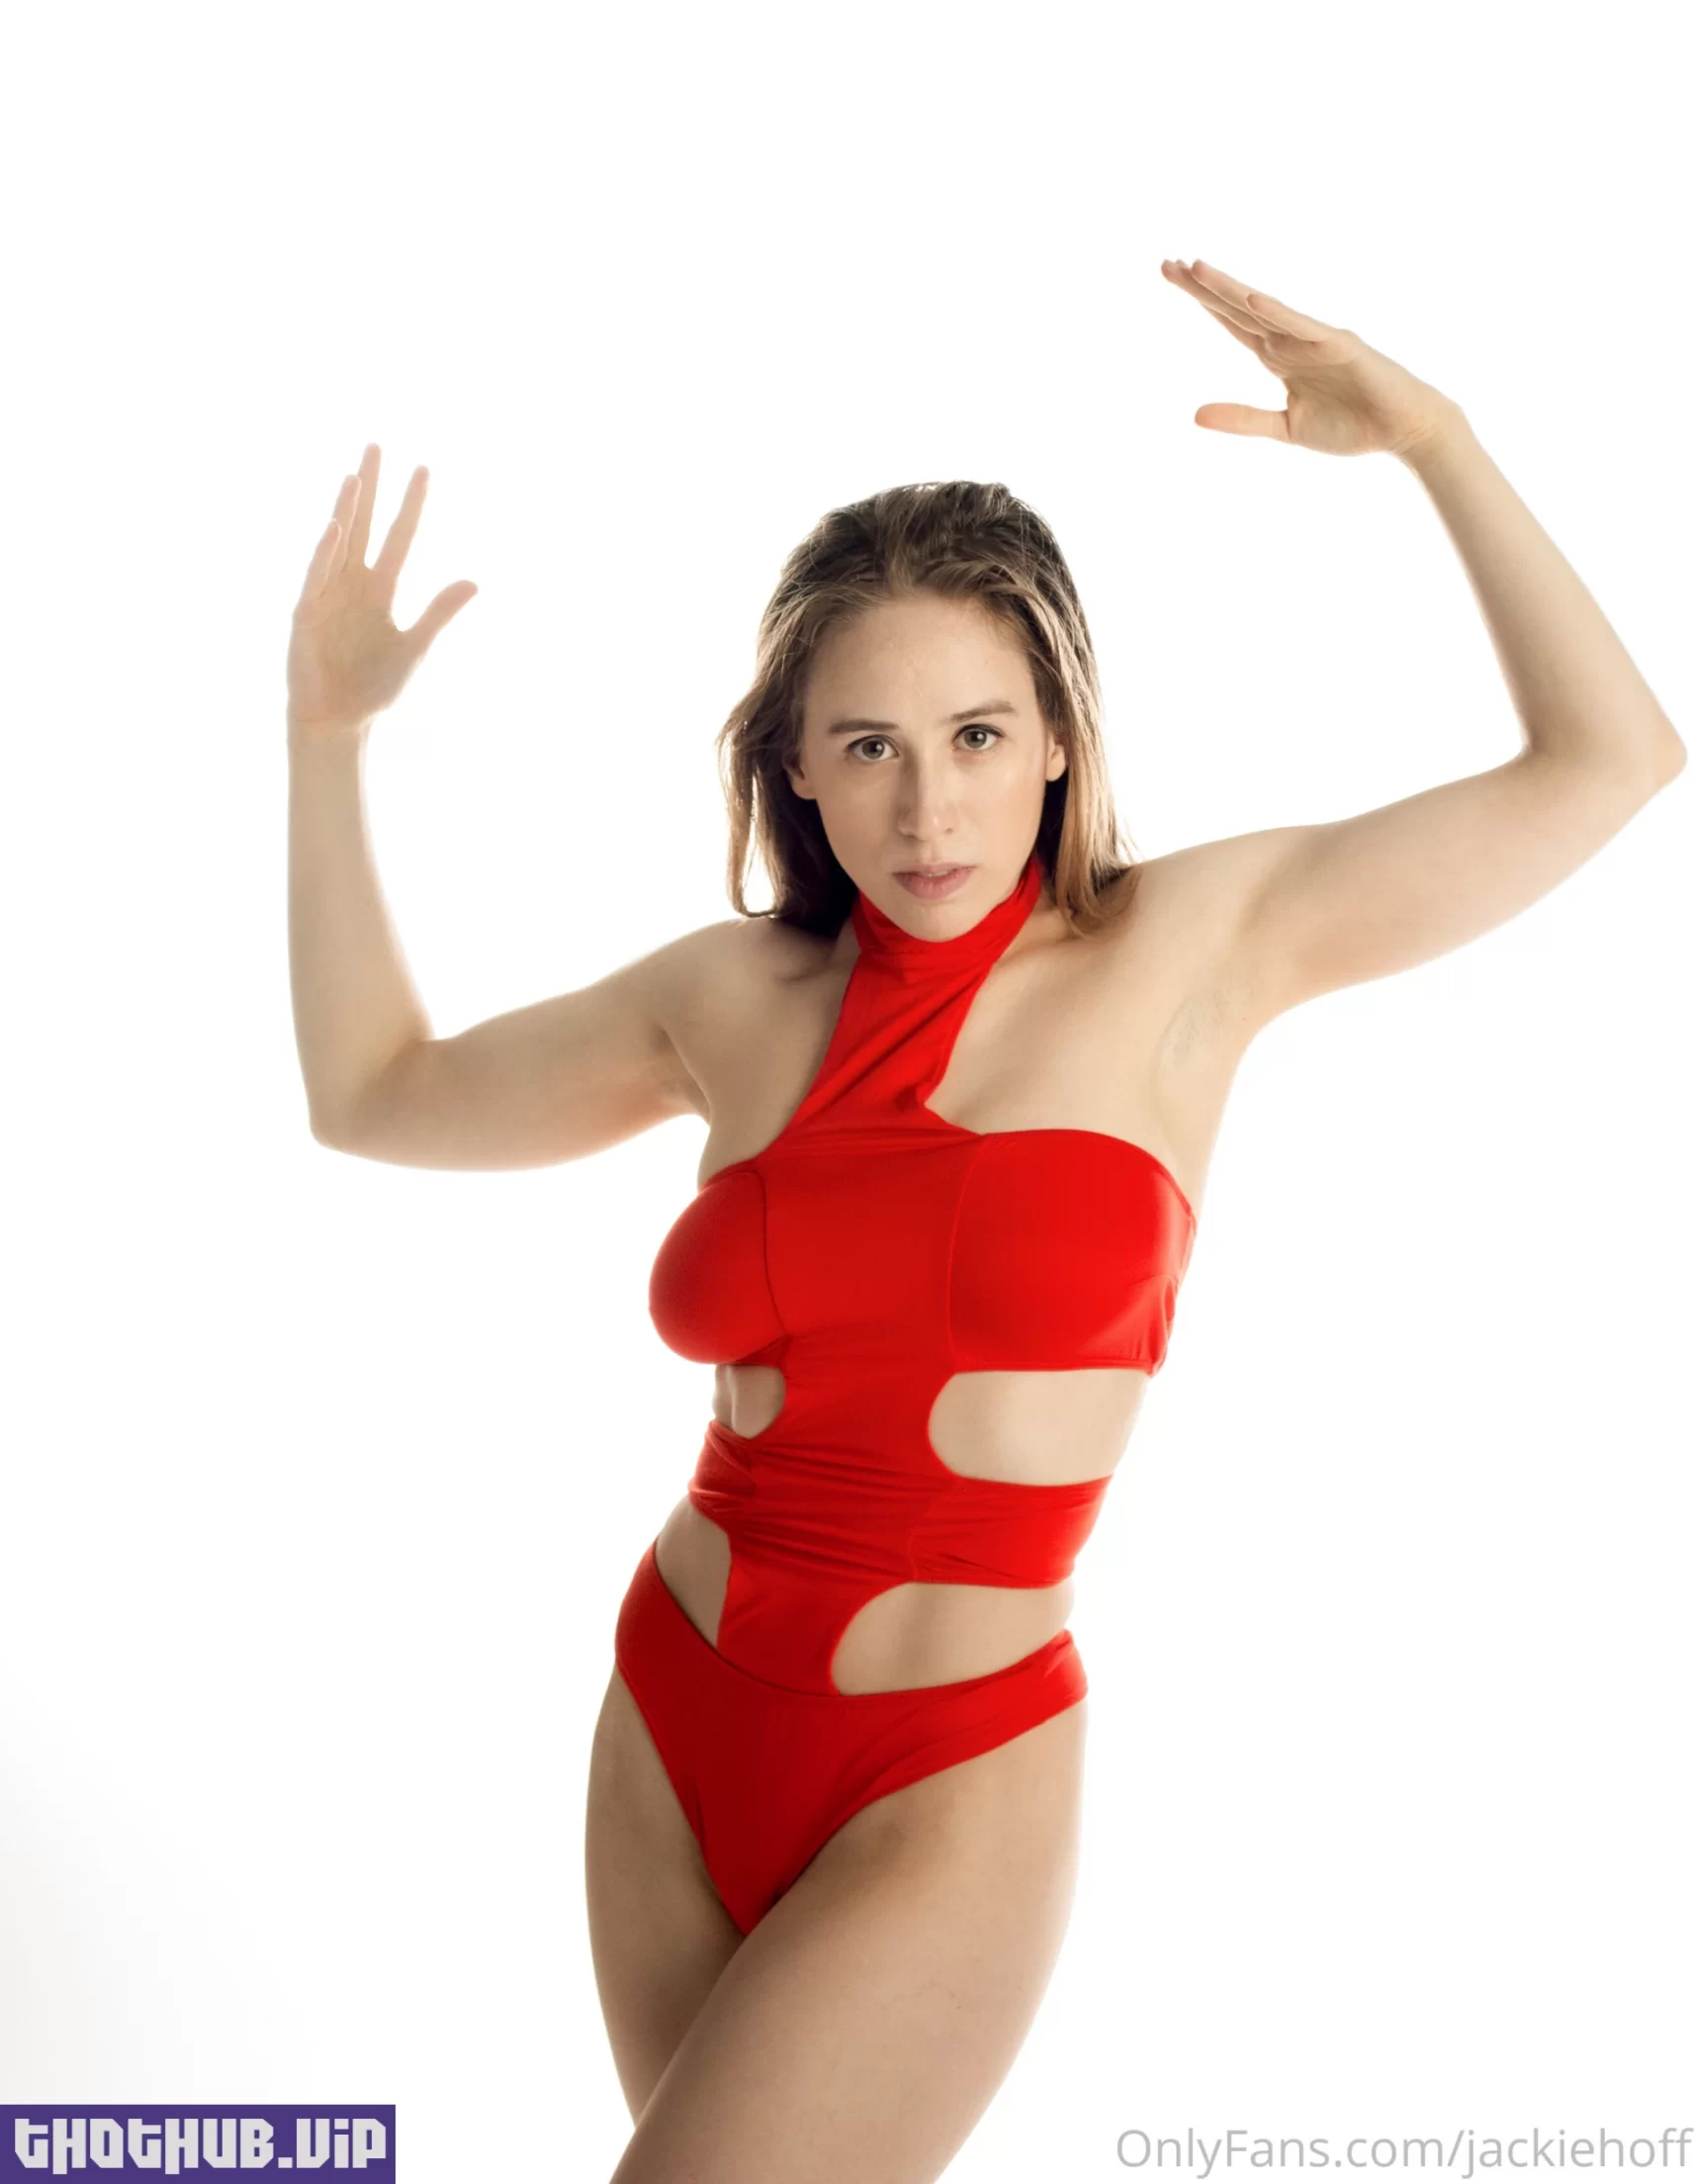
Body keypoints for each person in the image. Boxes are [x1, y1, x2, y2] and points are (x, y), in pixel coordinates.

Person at [285, 257, 1684, 2184]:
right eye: (865, 743)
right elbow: (374, 1093)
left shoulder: (1196, 944)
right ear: (793, 763)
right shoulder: (726, 998)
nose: (926, 809)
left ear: (1054, 736)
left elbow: (1610, 760)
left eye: (973, 734)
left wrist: (1431, 441)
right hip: (671, 1720)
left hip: (940, 1777)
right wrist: (325, 738)